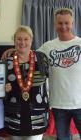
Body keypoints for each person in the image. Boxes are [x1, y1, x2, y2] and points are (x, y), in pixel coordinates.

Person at [38, 8, 81, 140]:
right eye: (60, 23)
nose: (63, 26)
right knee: (63, 138)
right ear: (55, 24)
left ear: (72, 24)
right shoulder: (47, 46)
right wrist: (13, 50)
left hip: (80, 103)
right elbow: (29, 56)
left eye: (67, 23)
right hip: (58, 104)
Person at [4, 25, 49, 140]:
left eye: (26, 39)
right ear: (14, 41)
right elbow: (0, 87)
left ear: (31, 40)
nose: (22, 42)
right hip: (14, 114)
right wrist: (3, 89)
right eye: (19, 39)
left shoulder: (42, 58)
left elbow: (50, 82)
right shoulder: (6, 62)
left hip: (37, 114)